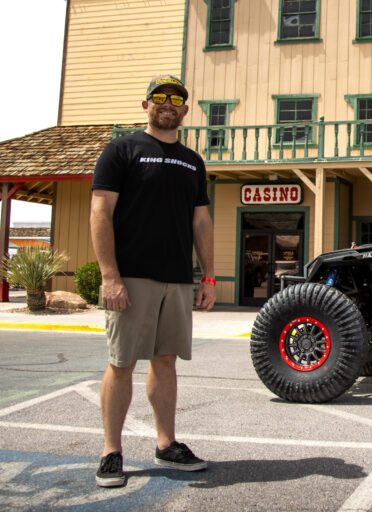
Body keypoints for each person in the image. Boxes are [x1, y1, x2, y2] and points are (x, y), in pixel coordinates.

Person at [90, 75, 215, 488]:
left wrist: (208, 275)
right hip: (132, 277)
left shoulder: (192, 161)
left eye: (175, 98)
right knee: (122, 362)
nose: (167, 103)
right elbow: (100, 213)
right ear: (145, 105)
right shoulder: (121, 150)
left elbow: (200, 221)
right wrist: (110, 276)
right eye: (159, 97)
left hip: (177, 279)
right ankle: (111, 451)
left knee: (165, 361)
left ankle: (166, 443)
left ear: (184, 108)